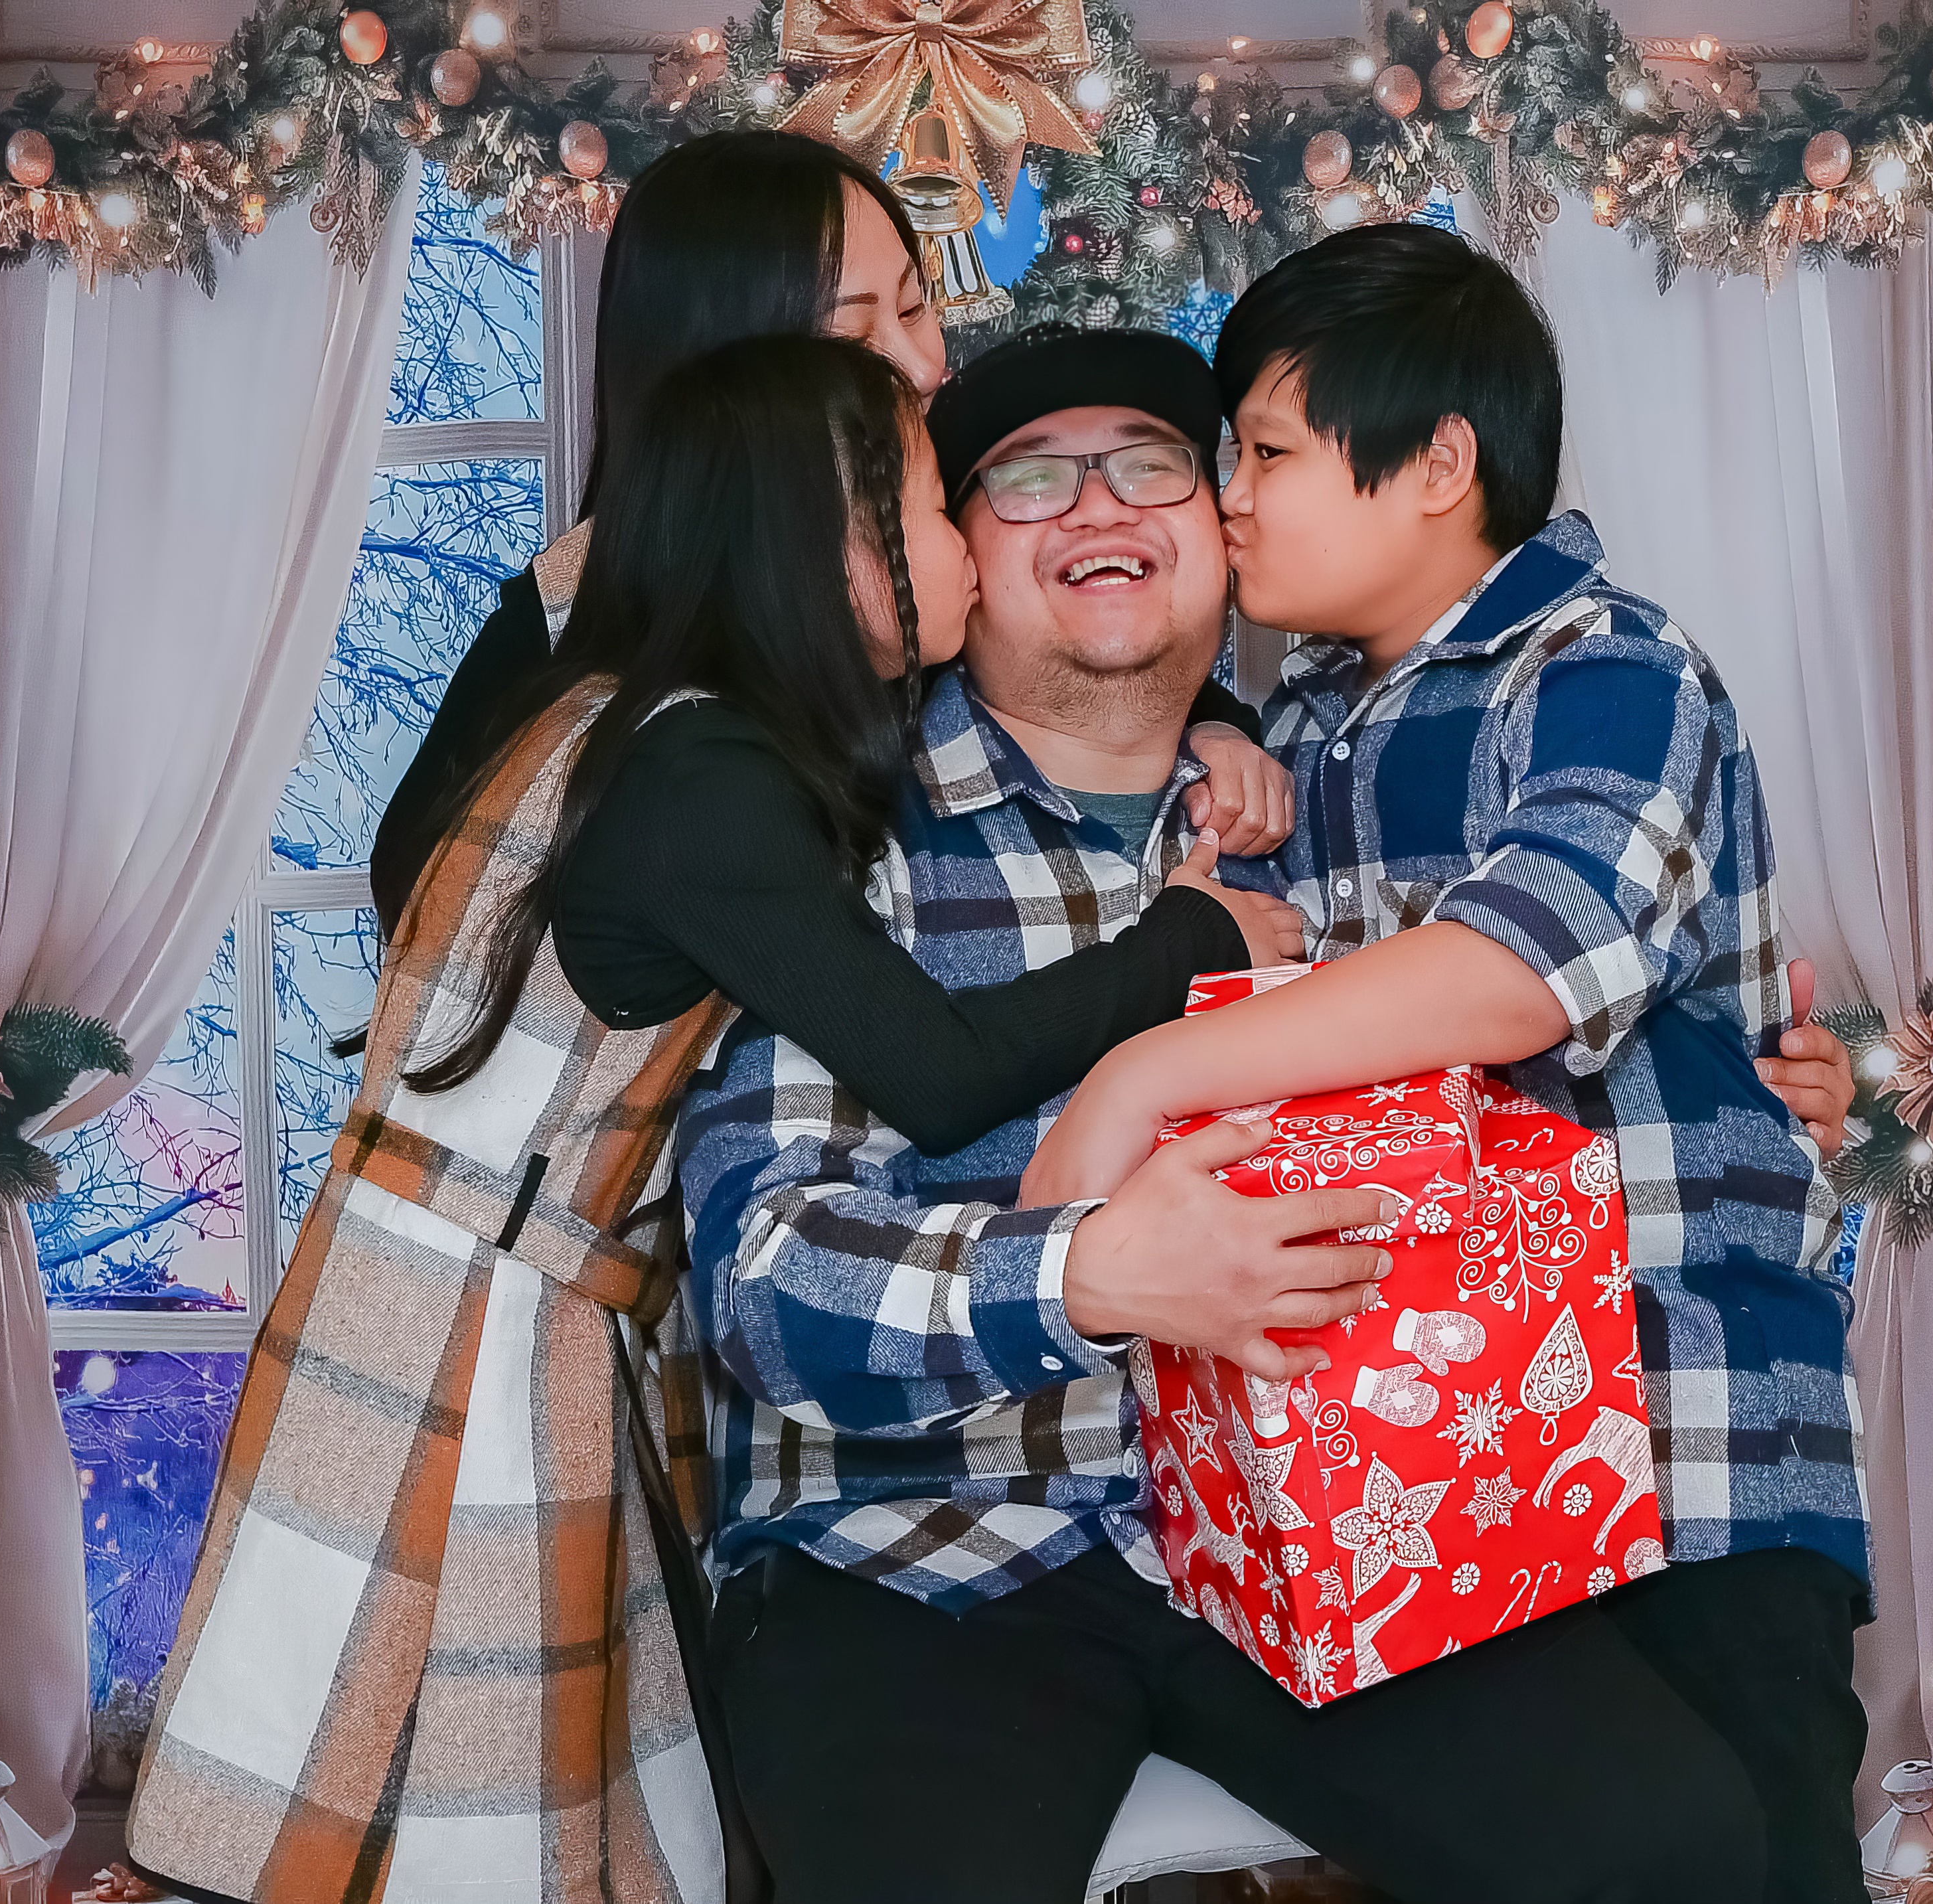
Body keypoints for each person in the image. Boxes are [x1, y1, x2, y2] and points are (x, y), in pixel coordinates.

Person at [671, 323, 1860, 1904]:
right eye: (1027, 479)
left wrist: (1758, 1079)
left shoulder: (1314, 820)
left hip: (1306, 1538)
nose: (1100, 505)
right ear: (948, 554)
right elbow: (759, 1283)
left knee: (1676, 1842)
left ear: (1222, 538)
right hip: (920, 1551)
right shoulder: (835, 837)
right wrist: (1085, 1274)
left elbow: (1539, 981)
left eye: (1153, 464)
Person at [126, 336, 1296, 1904]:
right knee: (447, 1801)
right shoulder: (707, 777)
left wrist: (1206, 714)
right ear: (833, 548)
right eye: (935, 511)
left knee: (444, 1784)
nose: (964, 547)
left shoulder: (637, 722)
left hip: (516, 1278)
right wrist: (1189, 940)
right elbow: (941, 1069)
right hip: (478, 1315)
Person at [1024, 227, 1871, 1903]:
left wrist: (1144, 1078)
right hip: (1443, 1453)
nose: (1232, 503)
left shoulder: (1610, 669)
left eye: (1267, 453)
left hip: (1682, 1432)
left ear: (1436, 465)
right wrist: (1221, 750)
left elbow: (1519, 968)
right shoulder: (1312, 722)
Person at [369, 129, 1288, 935]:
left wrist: (1210, 730)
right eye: (856, 340)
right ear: (734, 382)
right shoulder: (573, 630)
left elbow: (1060, 656)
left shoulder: (911, 541)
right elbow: (429, 907)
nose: (924, 368)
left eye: (916, 307)